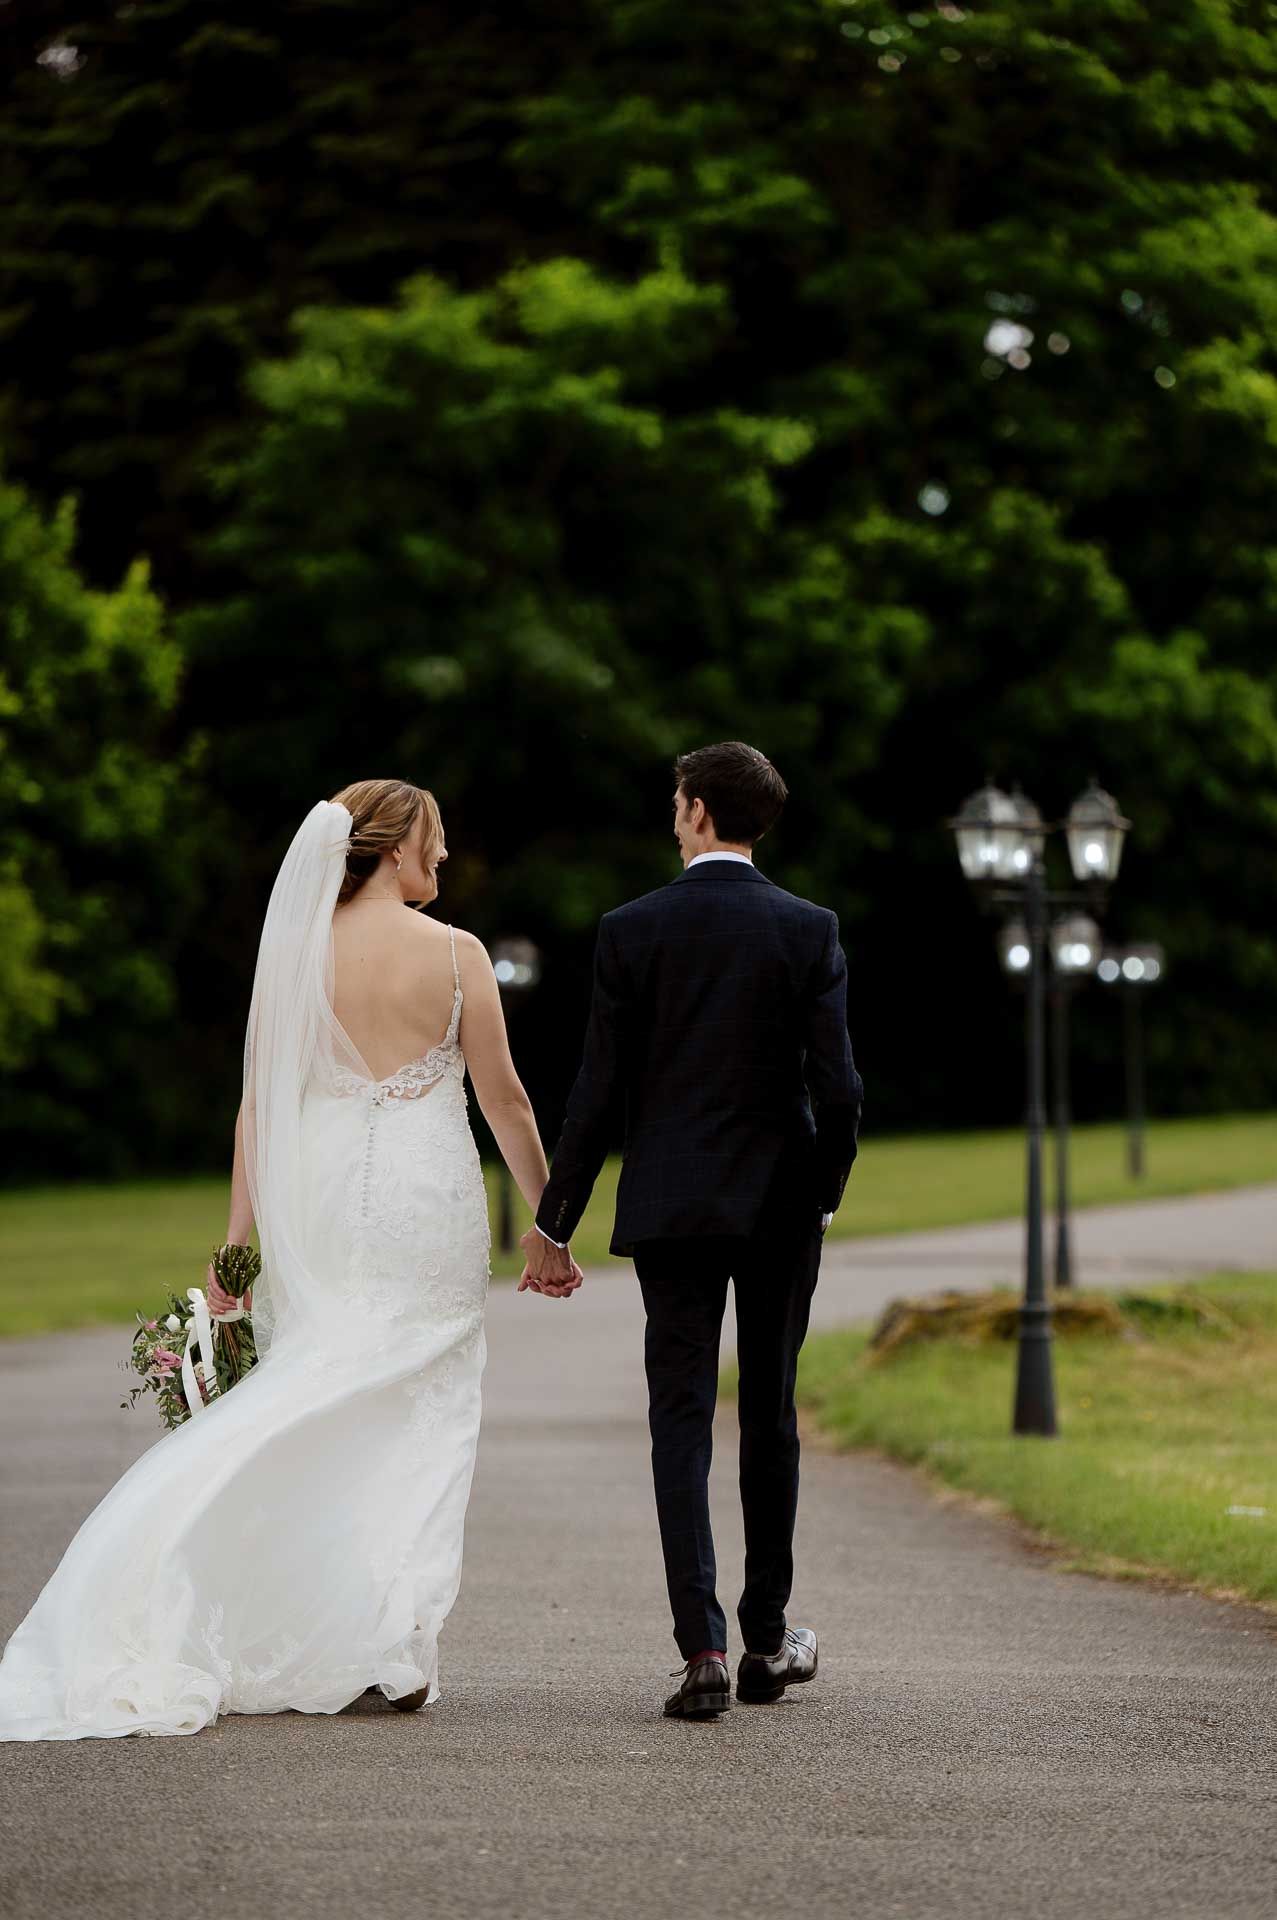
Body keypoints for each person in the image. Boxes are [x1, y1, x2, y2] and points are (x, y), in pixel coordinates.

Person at [0, 779, 580, 1740]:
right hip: (420, 1202)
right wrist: (548, 1223)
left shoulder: (296, 954)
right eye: (433, 838)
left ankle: (321, 1619)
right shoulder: (455, 953)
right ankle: (389, 1648)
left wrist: (237, 1248)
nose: (443, 854)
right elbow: (506, 1099)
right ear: (393, 849)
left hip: (318, 1205)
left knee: (317, 1379)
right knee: (418, 1410)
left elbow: (259, 1107)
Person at [520, 742, 863, 1720]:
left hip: (671, 1203)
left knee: (679, 1419)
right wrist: (824, 1189)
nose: (672, 814)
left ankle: (702, 1650)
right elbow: (837, 1086)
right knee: (770, 1412)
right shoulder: (808, 929)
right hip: (778, 1205)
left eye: (678, 801)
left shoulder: (631, 932)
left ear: (701, 811)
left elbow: (597, 1092)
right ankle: (767, 1639)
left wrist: (554, 1221)